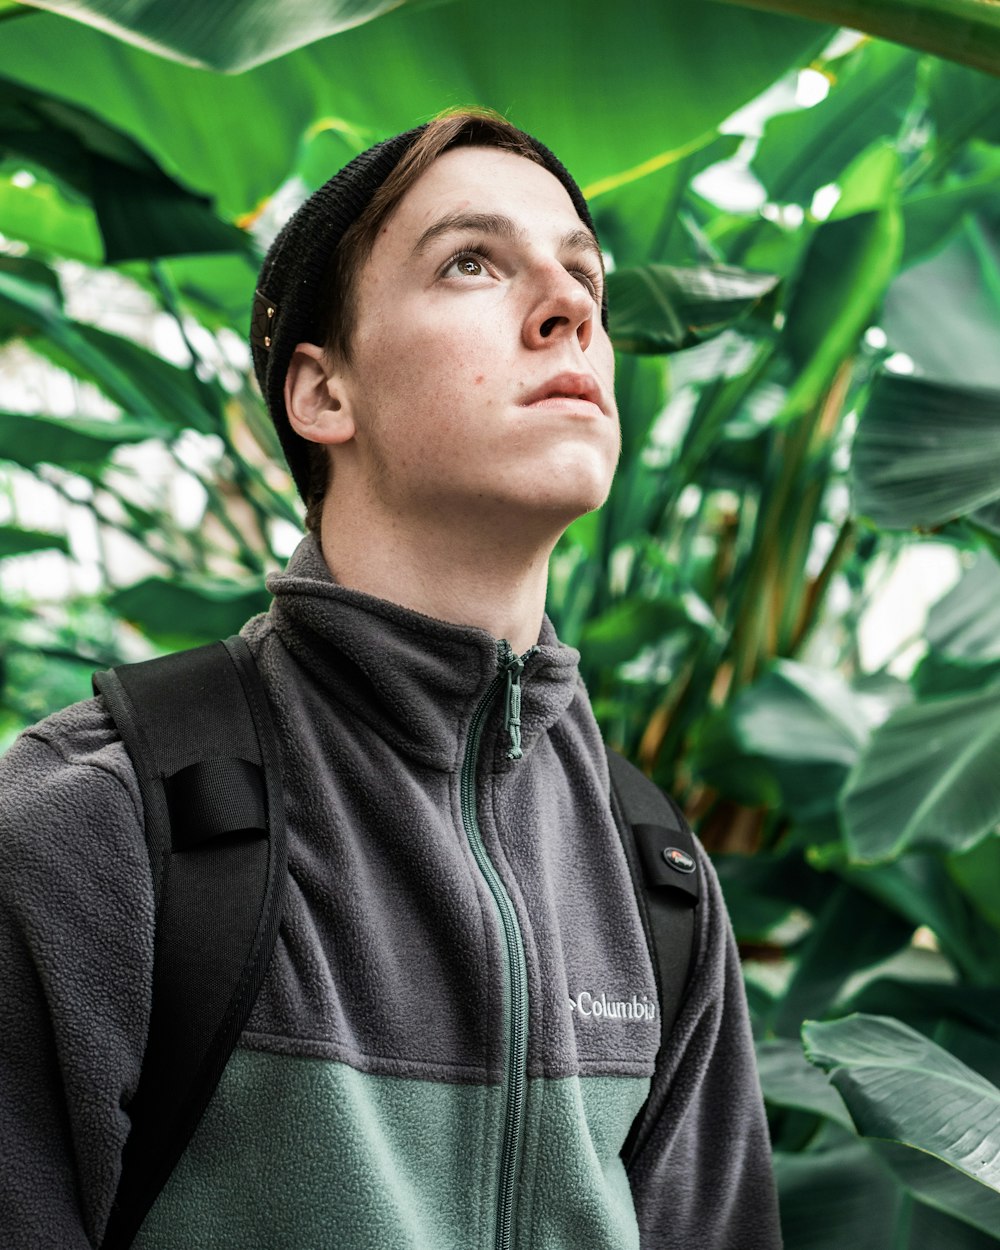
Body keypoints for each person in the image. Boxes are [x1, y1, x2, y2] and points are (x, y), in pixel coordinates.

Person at [0, 109, 781, 1249]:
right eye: (472, 261)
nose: (569, 309)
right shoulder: (102, 818)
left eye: (583, 276)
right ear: (322, 394)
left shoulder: (655, 875)